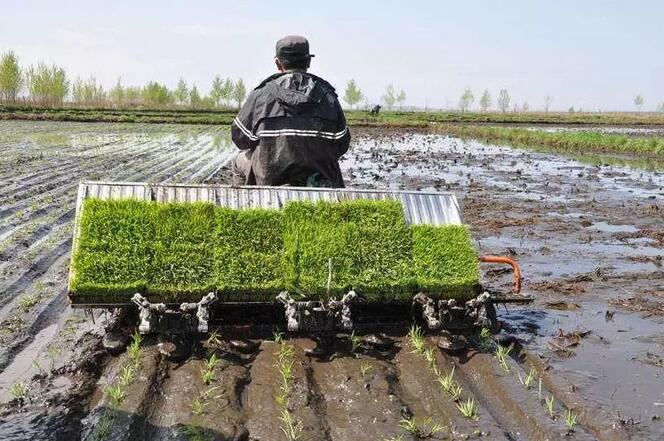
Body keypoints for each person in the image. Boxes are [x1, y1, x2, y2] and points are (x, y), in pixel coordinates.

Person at [230, 35, 350, 187]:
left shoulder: (261, 94)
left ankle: (250, 201)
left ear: (278, 63)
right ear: (309, 61)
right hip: (319, 181)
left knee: (238, 161)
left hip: (271, 180)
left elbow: (240, 138)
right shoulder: (328, 96)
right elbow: (341, 144)